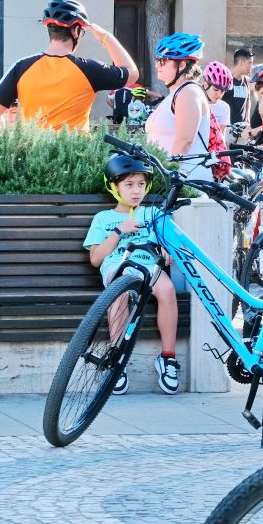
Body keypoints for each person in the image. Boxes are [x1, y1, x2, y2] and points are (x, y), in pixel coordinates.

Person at [85, 154, 180, 395]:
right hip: (118, 266)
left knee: (167, 290)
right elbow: (96, 259)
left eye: (140, 184)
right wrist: (119, 231)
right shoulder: (103, 219)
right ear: (114, 187)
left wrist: (166, 249)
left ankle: (168, 358)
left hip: (149, 266)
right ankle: (117, 360)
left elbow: (168, 244)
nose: (136, 191)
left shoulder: (152, 214)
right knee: (118, 293)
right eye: (129, 185)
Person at [0, 0, 139, 130]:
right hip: (76, 158)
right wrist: (106, 37)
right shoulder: (89, 69)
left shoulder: (21, 67)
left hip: (32, 157)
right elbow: (132, 73)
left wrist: (12, 142)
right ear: (76, 31)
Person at [144, 33, 213, 182]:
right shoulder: (177, 93)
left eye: (163, 60)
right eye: (157, 60)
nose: (157, 65)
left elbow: (185, 140)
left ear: (182, 65)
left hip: (186, 180)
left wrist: (167, 175)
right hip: (176, 180)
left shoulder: (188, 92)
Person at [225, 47, 254, 124]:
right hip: (227, 127)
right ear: (241, 62)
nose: (252, 66)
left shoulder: (247, 80)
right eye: (250, 63)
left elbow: (248, 100)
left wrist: (247, 117)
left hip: (241, 128)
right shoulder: (225, 79)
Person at [202, 61, 233, 130]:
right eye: (215, 89)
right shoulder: (195, 103)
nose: (219, 95)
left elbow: (221, 136)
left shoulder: (224, 108)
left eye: (222, 91)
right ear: (206, 84)